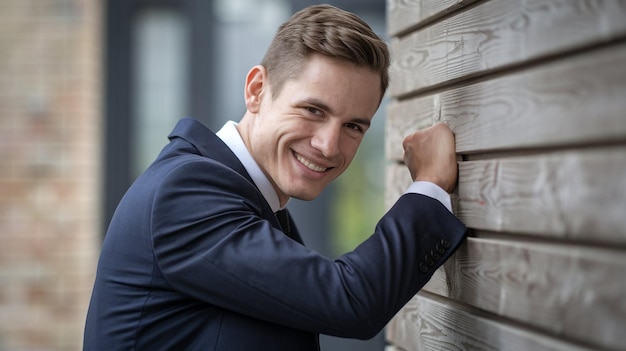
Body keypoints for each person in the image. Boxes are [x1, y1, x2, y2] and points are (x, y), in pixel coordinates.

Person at [83, 4, 467, 350]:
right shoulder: (185, 194)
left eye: (353, 126)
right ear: (256, 90)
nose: (329, 146)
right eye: (313, 110)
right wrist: (429, 185)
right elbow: (349, 299)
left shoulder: (249, 199)